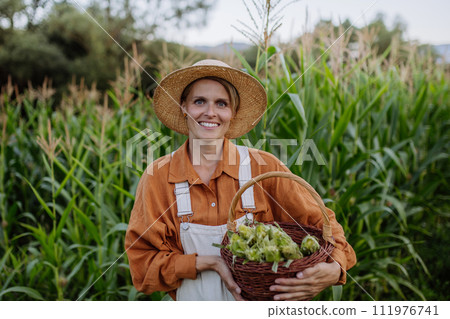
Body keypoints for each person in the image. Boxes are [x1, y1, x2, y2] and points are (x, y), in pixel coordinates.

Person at [125, 59, 356, 301]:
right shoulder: (159, 177)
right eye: (199, 101)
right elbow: (142, 267)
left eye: (221, 103)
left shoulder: (263, 168)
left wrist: (335, 268)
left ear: (232, 113)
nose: (210, 112)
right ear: (183, 107)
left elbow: (324, 224)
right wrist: (209, 263)